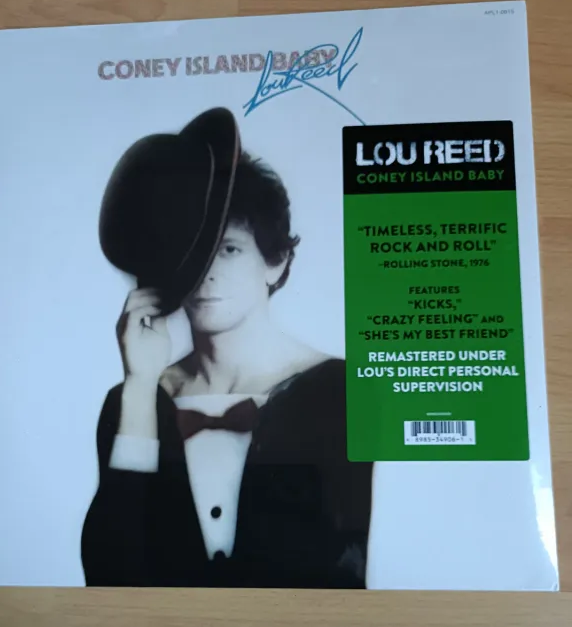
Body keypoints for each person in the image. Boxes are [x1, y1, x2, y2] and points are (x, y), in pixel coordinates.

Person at [81, 109, 373, 588]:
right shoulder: (133, 400)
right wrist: (139, 388)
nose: (207, 273)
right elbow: (109, 572)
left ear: (275, 262)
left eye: (229, 250)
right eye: (193, 252)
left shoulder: (344, 393)